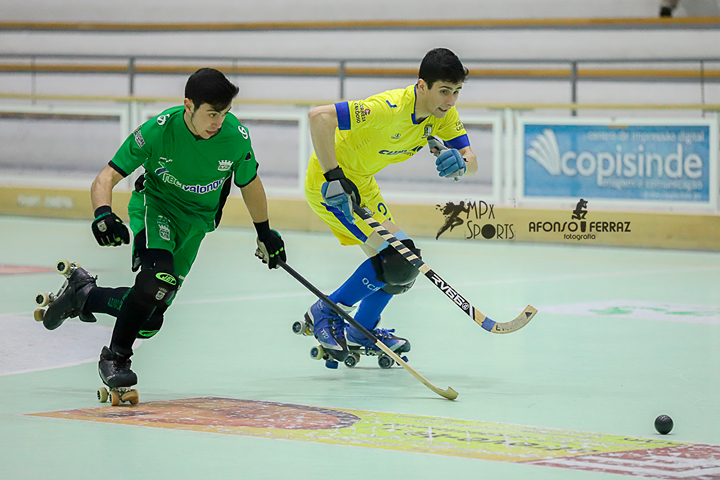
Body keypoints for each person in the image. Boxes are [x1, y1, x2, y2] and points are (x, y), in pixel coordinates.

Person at [37, 68, 286, 390]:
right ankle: (115, 358)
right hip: (157, 208)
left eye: (225, 113)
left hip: (196, 224)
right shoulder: (158, 131)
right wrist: (103, 214)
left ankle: (85, 294)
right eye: (212, 114)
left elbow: (249, 182)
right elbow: (106, 177)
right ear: (188, 105)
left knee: (150, 320)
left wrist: (264, 232)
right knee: (157, 280)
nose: (218, 122)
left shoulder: (235, 137)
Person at [303, 48, 477, 368]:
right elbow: (319, 117)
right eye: (444, 91)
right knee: (397, 258)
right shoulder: (388, 108)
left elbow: (472, 159)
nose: (450, 100)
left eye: (456, 92)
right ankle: (326, 311)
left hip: (363, 186)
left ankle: (361, 331)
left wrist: (462, 164)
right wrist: (333, 176)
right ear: (422, 86)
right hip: (331, 187)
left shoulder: (442, 115)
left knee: (402, 267)